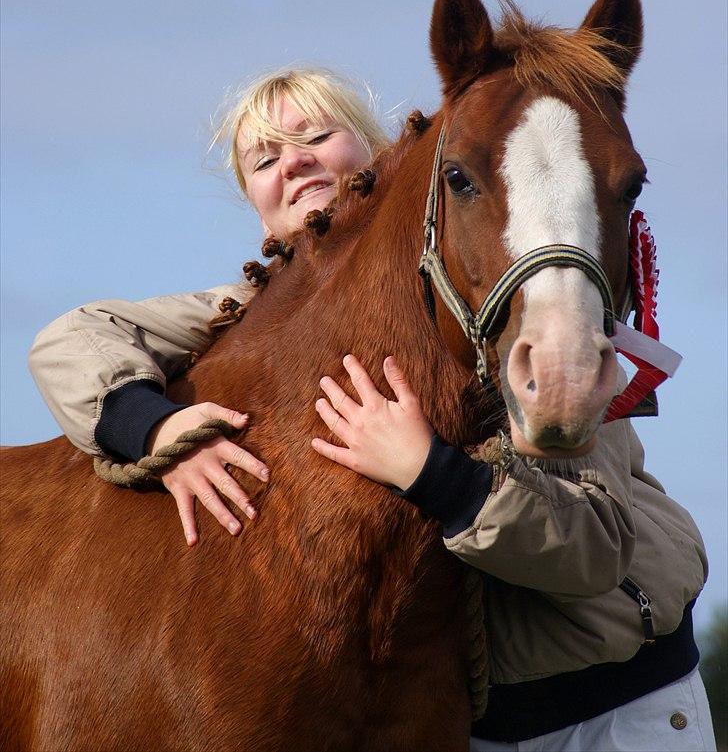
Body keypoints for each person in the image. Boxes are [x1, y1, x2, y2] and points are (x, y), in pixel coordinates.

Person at [29, 68, 714, 752]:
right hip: (470, 723)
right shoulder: (246, 311)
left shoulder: (516, 306)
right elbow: (73, 338)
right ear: (255, 203)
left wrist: (429, 470)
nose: (293, 161)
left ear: (378, 150)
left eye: (316, 135)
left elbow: (590, 545)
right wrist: (156, 427)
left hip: (620, 704)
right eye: (264, 159)